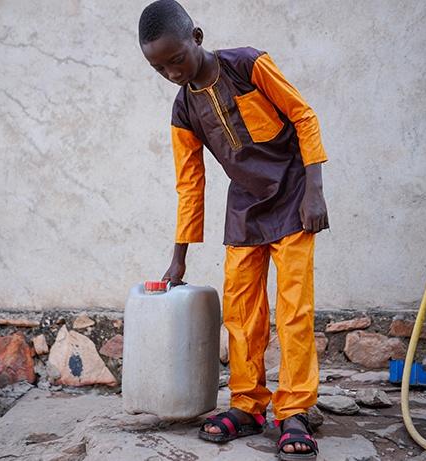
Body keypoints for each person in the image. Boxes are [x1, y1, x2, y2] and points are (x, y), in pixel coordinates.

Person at [138, 1, 329, 459]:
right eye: (158, 67)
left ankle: (295, 411)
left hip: (293, 199)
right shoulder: (183, 109)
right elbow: (190, 183)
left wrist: (315, 190)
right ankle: (247, 405)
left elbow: (304, 116)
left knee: (294, 309)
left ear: (196, 37)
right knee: (242, 313)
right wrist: (179, 254)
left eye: (175, 59)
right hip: (244, 209)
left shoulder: (249, 64)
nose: (171, 73)